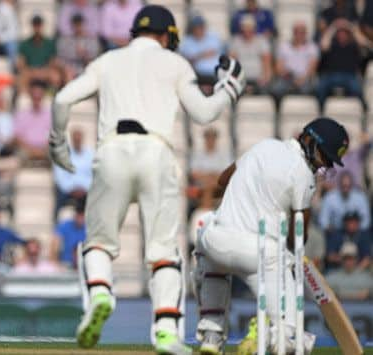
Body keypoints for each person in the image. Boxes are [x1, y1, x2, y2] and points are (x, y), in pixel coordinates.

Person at [49, 5, 246, 354]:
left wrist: (58, 144)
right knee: (163, 253)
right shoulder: (175, 63)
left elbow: (63, 98)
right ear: (168, 35)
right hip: (156, 152)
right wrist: (228, 88)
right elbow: (202, 114)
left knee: (98, 242)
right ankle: (167, 332)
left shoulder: (109, 60)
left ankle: (100, 293)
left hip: (112, 150)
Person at [194, 118, 349, 354]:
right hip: (260, 255)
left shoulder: (263, 146)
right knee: (289, 340)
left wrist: (253, 189)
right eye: (324, 156)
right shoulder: (304, 177)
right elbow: (299, 236)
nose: (322, 165)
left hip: (217, 241)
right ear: (308, 139)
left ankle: (211, 335)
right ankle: (270, 333)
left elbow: (223, 180)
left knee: (206, 234)